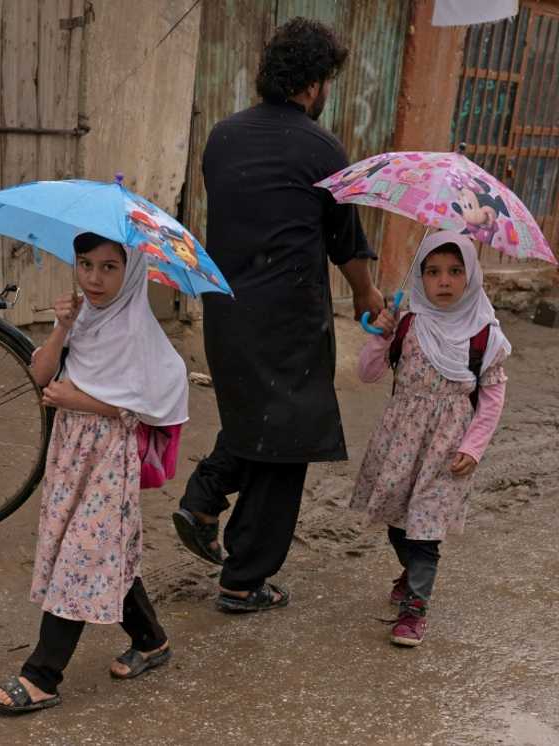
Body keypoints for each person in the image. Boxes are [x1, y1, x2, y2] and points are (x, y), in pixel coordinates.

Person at [171, 17, 384, 612]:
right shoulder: (321, 148)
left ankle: (204, 498)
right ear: (314, 82)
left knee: (260, 413)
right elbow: (344, 240)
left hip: (225, 306)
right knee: (290, 438)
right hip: (288, 315)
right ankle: (243, 578)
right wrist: (368, 296)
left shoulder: (223, 135)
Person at [0, 233, 189, 713]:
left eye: (109, 267)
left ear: (132, 271)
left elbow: (154, 401)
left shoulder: (138, 332)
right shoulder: (85, 317)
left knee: (80, 556)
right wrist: (62, 326)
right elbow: (39, 374)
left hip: (108, 457)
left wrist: (78, 400)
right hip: (69, 454)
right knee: (96, 549)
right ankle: (151, 639)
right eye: (85, 265)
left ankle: (42, 675)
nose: (94, 279)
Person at [350, 231, 510, 647]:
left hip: (447, 451)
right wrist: (381, 334)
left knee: (426, 527)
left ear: (471, 276)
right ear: (420, 277)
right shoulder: (406, 322)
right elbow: (367, 374)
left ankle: (415, 608)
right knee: (397, 522)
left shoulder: (485, 337)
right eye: (434, 271)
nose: (444, 281)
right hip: (400, 442)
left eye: (456, 271)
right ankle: (411, 572)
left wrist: (473, 448)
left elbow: (491, 400)